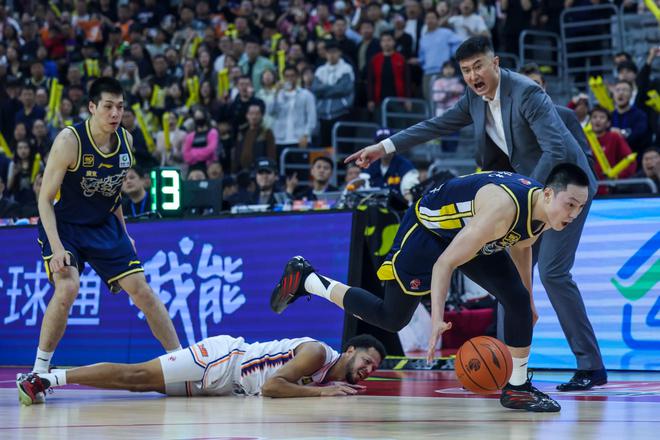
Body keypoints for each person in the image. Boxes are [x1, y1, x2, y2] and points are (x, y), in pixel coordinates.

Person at [345, 37, 607, 392]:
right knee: (510, 281)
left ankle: (590, 366)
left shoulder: (526, 93)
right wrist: (383, 147)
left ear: (495, 63)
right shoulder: (474, 98)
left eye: (478, 66)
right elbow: (435, 125)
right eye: (466, 70)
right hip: (531, 195)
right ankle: (506, 365)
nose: (472, 76)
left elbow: (555, 149)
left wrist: (526, 197)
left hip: (564, 193)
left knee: (553, 272)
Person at [273, 164, 590, 412]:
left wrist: (529, 299)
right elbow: (444, 264)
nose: (574, 215)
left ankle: (517, 389)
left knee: (518, 300)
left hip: (469, 232)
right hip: (428, 231)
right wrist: (438, 318)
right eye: (570, 204)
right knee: (392, 317)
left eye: (580, 207)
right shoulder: (503, 210)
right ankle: (308, 280)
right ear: (548, 194)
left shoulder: (542, 211)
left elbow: (522, 245)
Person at [31, 78, 181, 400]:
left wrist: (124, 235)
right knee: (68, 287)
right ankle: (39, 372)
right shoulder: (69, 141)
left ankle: (181, 365)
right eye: (108, 106)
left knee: (143, 291)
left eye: (120, 107)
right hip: (65, 226)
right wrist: (57, 249)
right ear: (92, 107)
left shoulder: (126, 141)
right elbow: (44, 199)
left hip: (102, 225)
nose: (115, 113)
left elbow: (113, 196)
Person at [17, 333, 385, 405]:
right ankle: (46, 378)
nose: (369, 369)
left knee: (138, 386)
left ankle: (50, 379)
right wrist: (321, 393)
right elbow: (273, 387)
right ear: (350, 350)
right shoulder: (318, 353)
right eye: (367, 361)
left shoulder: (327, 372)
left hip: (226, 386)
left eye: (374, 368)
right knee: (136, 375)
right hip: (223, 359)